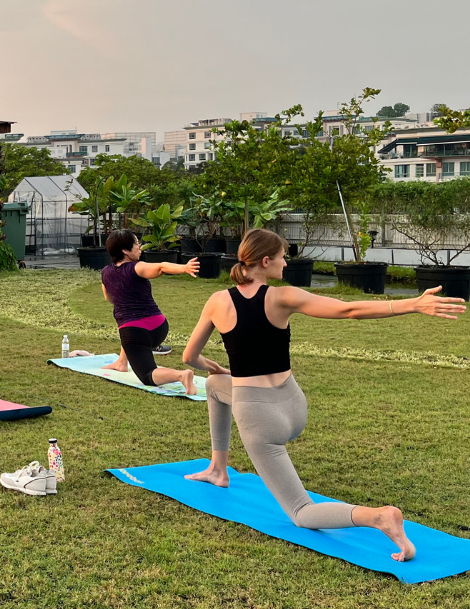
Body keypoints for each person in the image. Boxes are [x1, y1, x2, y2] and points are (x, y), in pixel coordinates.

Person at [182, 227, 465, 562]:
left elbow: (188, 357)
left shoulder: (217, 301)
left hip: (260, 419)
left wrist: (209, 363)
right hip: (293, 407)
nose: (286, 264)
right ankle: (218, 469)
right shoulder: (283, 297)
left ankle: (378, 518)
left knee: (301, 513)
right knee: (216, 387)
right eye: (284, 256)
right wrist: (413, 304)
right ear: (265, 260)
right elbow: (348, 310)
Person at [102, 228, 200, 394]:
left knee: (147, 374)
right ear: (125, 250)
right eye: (136, 244)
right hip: (159, 327)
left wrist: (184, 268)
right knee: (129, 334)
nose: (140, 248)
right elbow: (161, 267)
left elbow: (108, 298)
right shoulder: (136, 268)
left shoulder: (107, 272)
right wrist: (183, 268)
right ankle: (121, 362)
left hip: (136, 333)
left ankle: (181, 376)